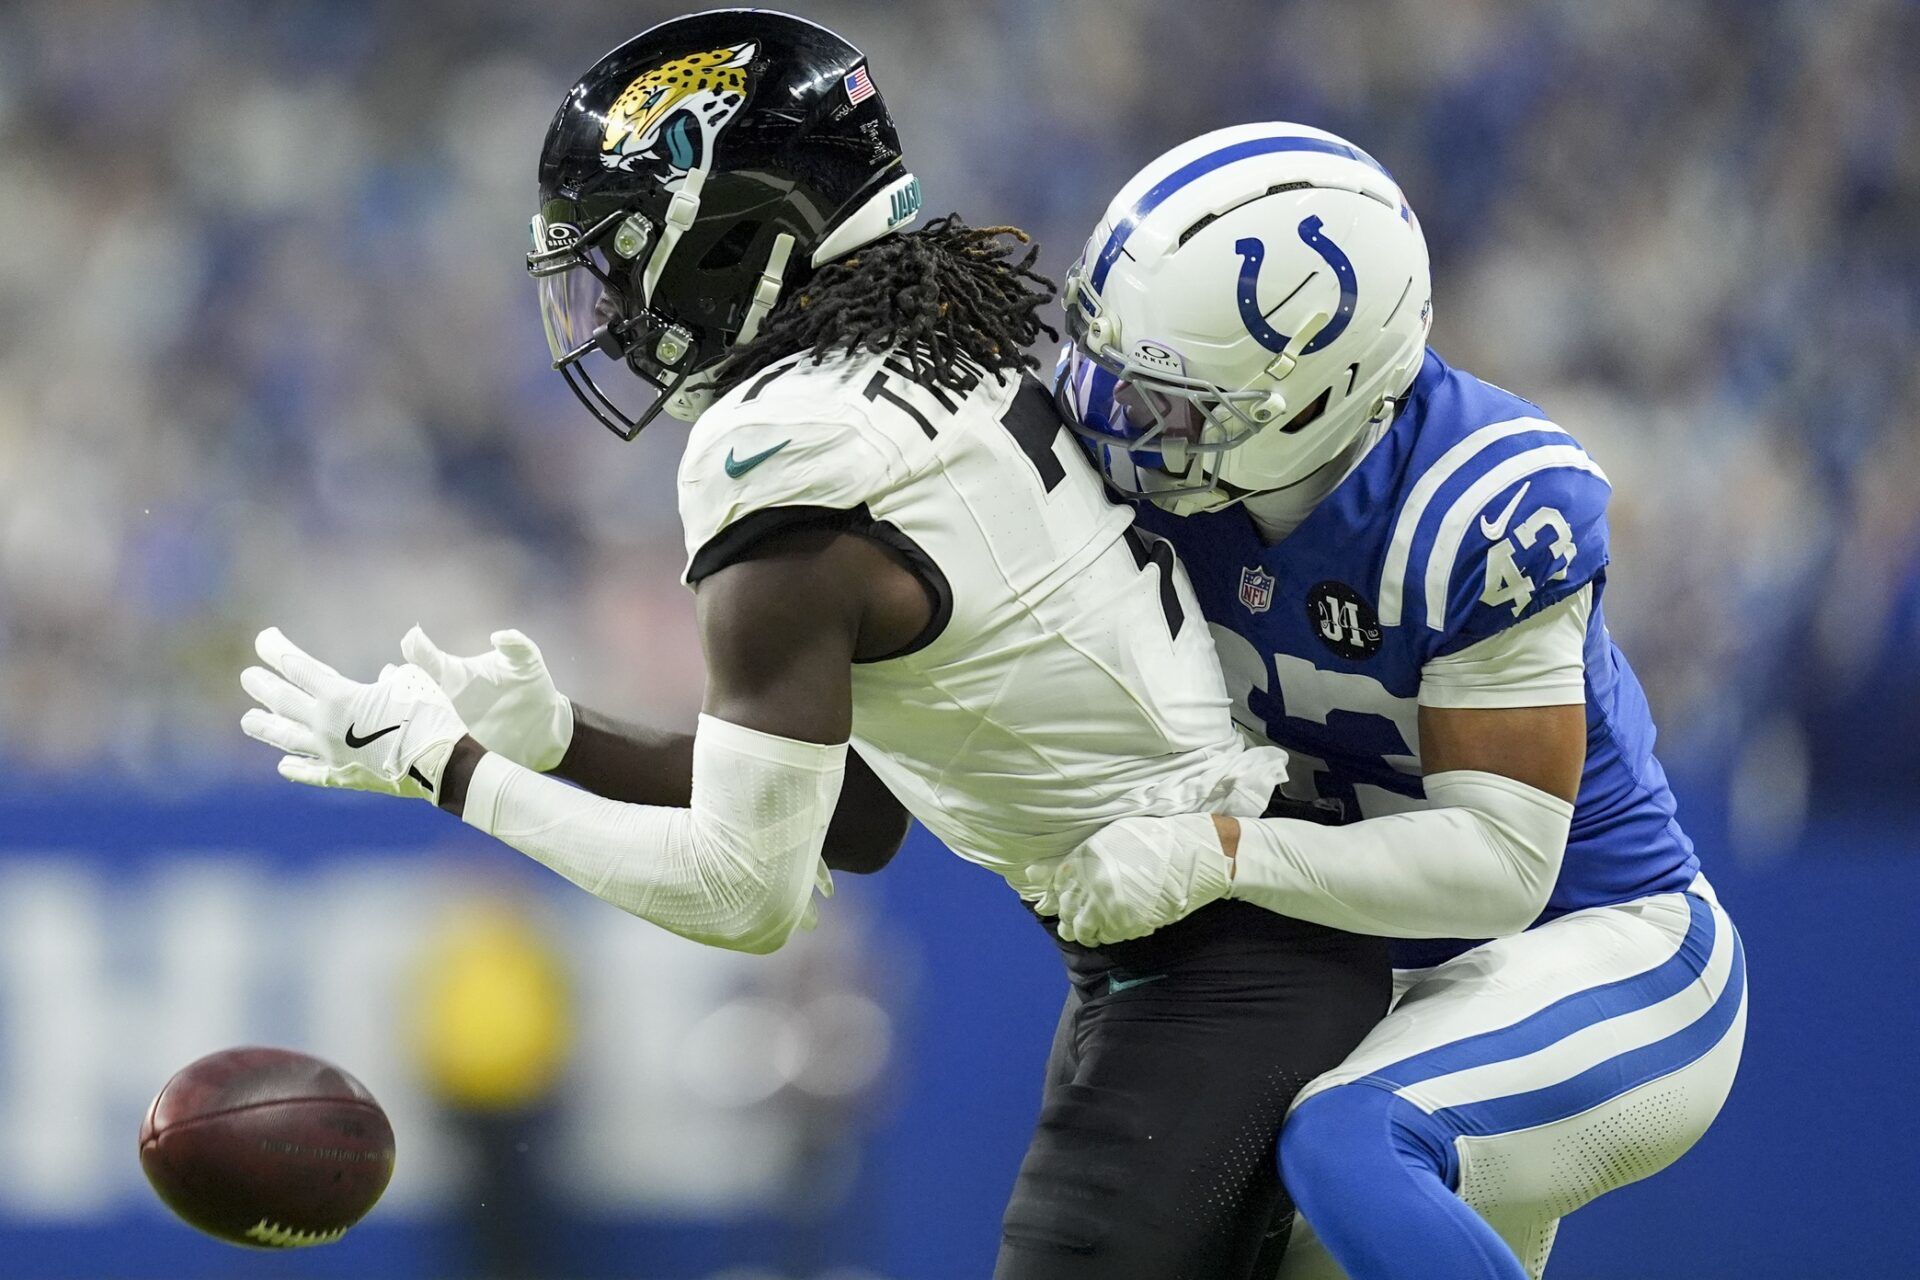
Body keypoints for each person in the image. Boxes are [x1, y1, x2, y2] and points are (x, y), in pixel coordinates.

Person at [237, 18, 1387, 1279]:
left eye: (620, 258)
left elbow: (747, 890)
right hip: (1239, 942)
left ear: (731, 230)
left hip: (1219, 967)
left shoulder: (779, 445)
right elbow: (853, 815)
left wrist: (449, 769)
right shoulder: (937, 340)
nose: (609, 305)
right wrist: (558, 736)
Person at [1045, 124, 1747, 1280]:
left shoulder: (1472, 503)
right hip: (1399, 996)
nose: (1115, 417)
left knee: (1354, 1139)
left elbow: (1498, 865)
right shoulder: (1156, 478)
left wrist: (1222, 850)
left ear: (1312, 401)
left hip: (1606, 947)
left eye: (1170, 402)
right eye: (1112, 365)